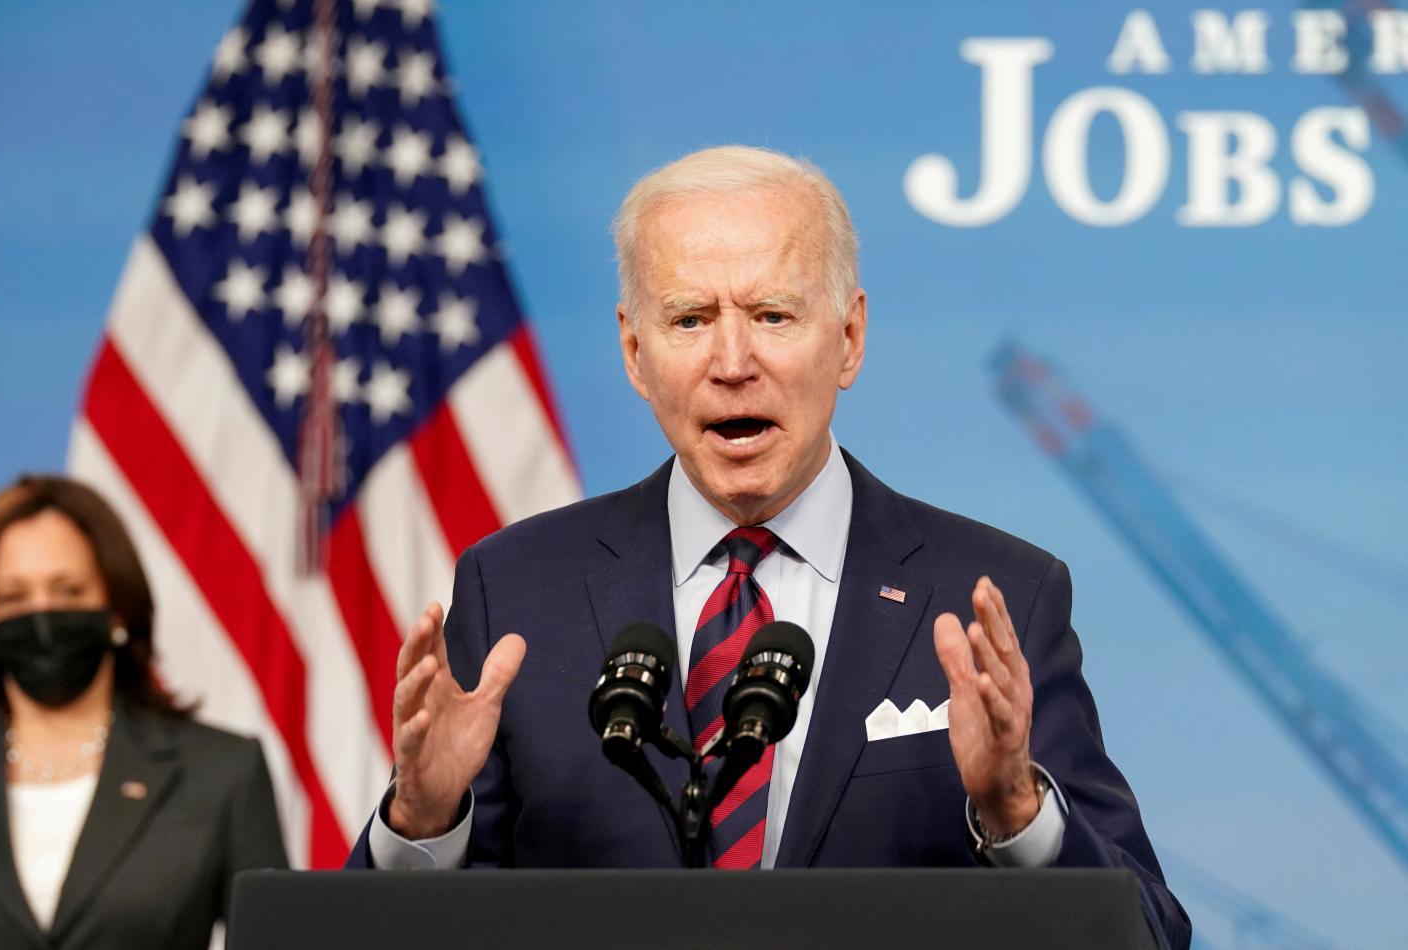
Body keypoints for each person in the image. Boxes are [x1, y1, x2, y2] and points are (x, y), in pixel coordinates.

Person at [345, 146, 1191, 948]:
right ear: (636, 353)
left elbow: (1148, 933)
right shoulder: (519, 590)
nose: (732, 360)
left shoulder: (995, 595)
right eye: (688, 319)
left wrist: (1014, 808)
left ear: (850, 338)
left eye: (772, 314)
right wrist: (423, 821)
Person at [0, 475, 288, 950]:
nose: (42, 613)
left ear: (118, 610)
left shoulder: (223, 773)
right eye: (14, 598)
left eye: (67, 591)